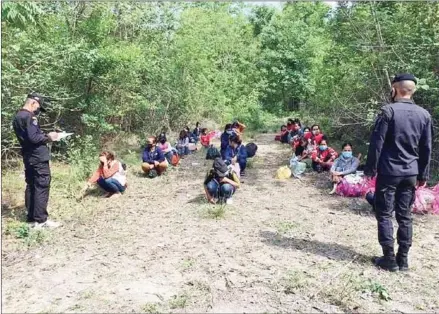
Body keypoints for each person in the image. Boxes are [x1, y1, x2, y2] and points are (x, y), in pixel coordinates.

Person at [364, 73, 432, 272]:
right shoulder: (424, 115)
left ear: (394, 89)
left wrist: (370, 168)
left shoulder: (388, 112)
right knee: (405, 215)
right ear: (413, 91)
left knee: (384, 214)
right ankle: (403, 259)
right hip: (411, 173)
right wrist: (423, 175)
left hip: (389, 172)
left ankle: (389, 259)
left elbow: (377, 144)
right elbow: (426, 147)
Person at [12, 92, 60, 229]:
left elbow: (28, 137)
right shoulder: (29, 117)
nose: (37, 111)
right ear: (33, 103)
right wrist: (49, 137)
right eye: (37, 107)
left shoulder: (17, 117)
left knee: (31, 185)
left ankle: (31, 218)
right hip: (38, 157)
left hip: (28, 156)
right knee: (42, 185)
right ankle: (41, 220)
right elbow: (33, 138)